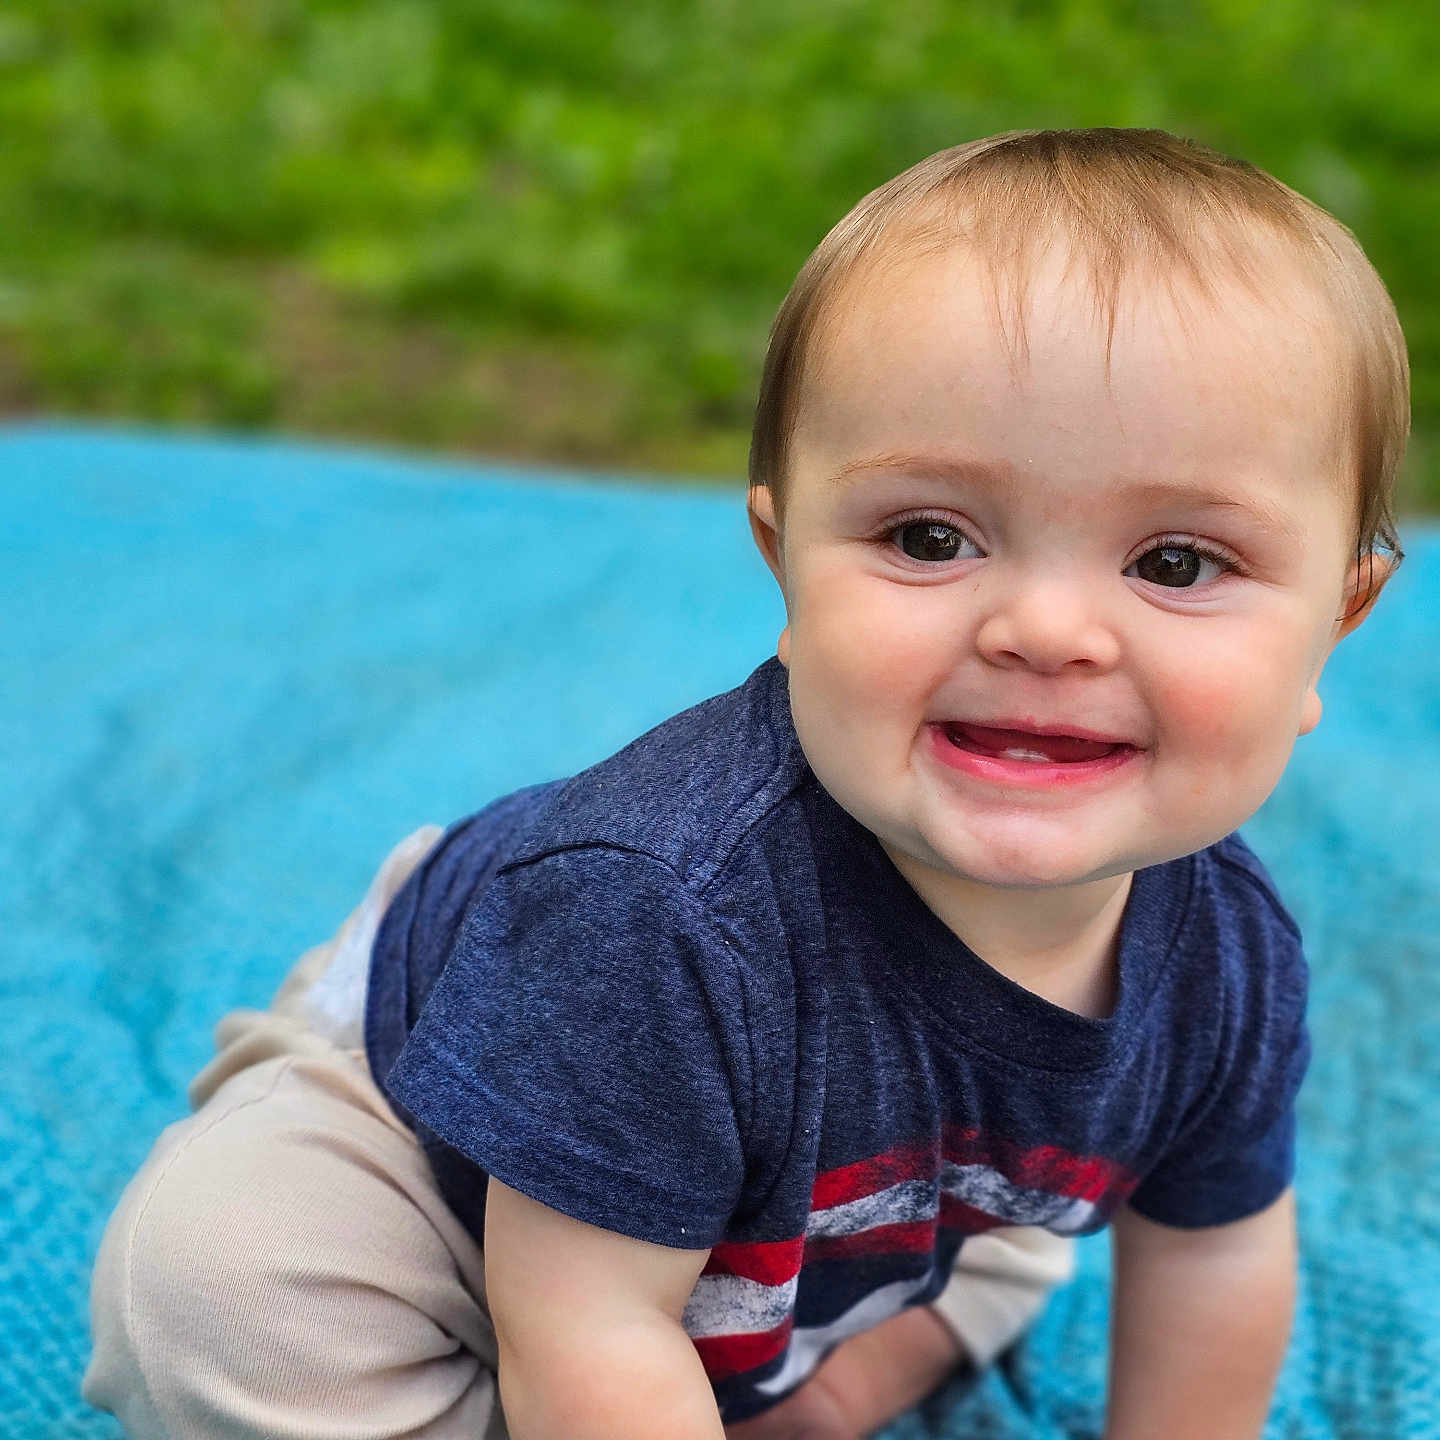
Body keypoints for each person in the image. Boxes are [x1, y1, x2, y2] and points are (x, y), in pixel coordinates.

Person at [84, 127, 1408, 1440]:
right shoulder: (656, 911)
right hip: (457, 1143)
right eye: (929, 537)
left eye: (1176, 563)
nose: (1046, 630)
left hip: (843, 1207)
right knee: (220, 1291)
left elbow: (1219, 1260)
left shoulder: (1229, 960)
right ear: (787, 566)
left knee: (1023, 1230)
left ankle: (824, 1385)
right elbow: (585, 1325)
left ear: (1333, 628)